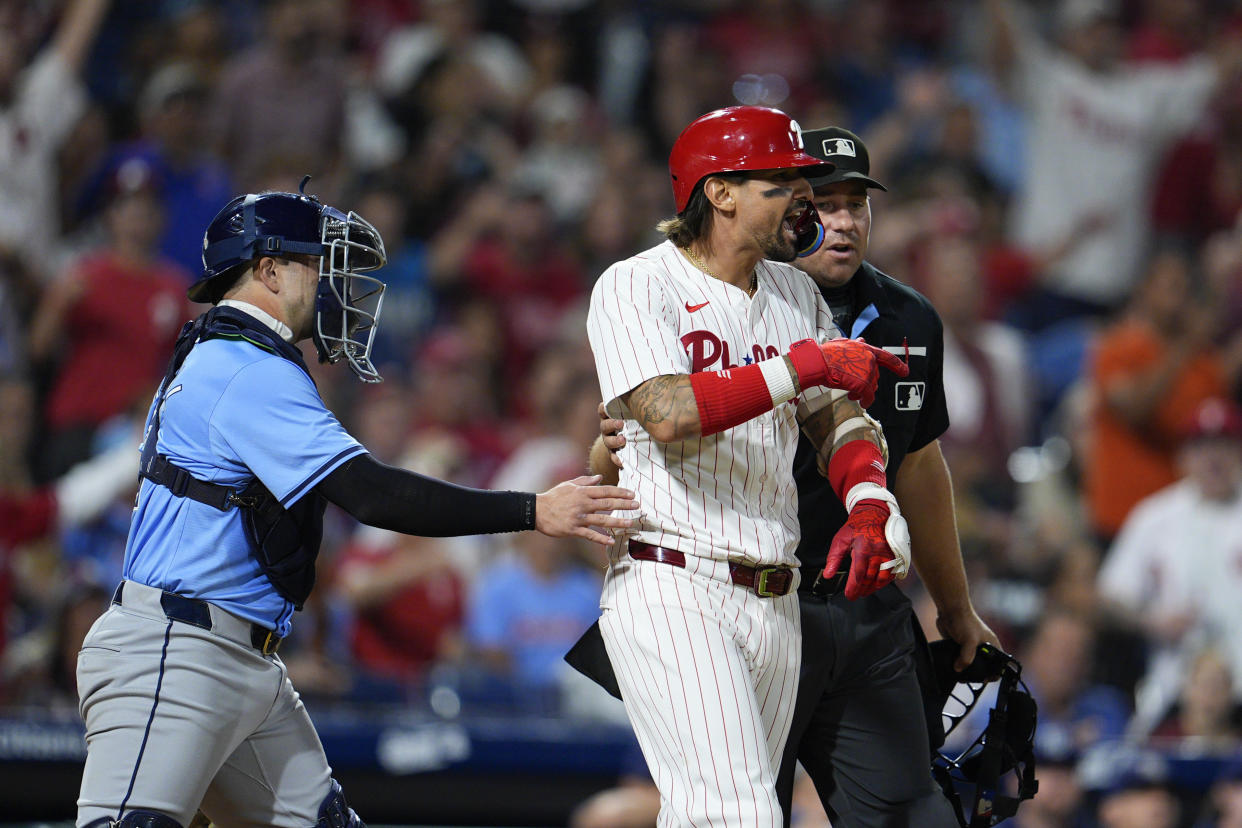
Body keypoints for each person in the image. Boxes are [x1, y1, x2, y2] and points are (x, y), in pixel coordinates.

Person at [73, 182, 638, 828]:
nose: (331, 281)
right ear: (267, 270)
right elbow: (372, 494)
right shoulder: (243, 365)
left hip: (238, 656)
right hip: (175, 650)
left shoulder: (228, 356)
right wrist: (533, 510)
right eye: (315, 262)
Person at [593, 126, 997, 827]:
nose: (804, 202)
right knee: (739, 813)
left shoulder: (791, 293)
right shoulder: (636, 282)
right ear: (718, 193)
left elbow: (837, 422)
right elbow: (666, 412)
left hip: (775, 595)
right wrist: (804, 365)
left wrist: (871, 506)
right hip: (677, 579)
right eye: (781, 185)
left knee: (718, 814)